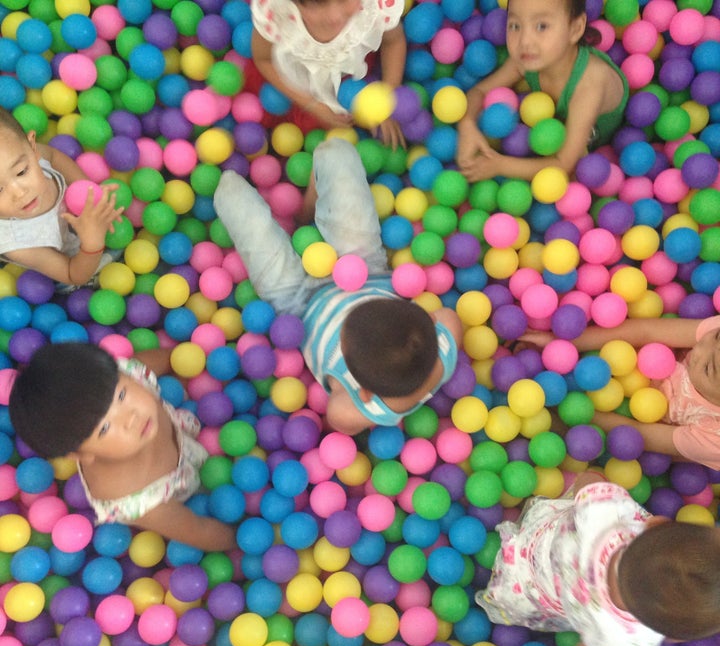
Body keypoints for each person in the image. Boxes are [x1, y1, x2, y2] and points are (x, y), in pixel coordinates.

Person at [214, 137, 462, 436]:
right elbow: (450, 318)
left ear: (364, 392)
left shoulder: (368, 406)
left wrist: (368, 404)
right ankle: (316, 186)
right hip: (365, 272)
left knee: (233, 201)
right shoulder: (443, 353)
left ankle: (227, 185)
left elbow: (339, 417)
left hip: (299, 305)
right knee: (337, 152)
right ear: (426, 320)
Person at [477, 470, 720, 646]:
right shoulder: (628, 643)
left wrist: (597, 481)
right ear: (673, 636)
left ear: (656, 524)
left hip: (537, 537)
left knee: (571, 510)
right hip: (524, 587)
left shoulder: (607, 513)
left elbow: (587, 480)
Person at [8, 343, 237, 552]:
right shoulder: (139, 502)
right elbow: (198, 531)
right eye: (105, 428)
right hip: (181, 487)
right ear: (80, 454)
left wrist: (199, 365)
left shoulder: (119, 377)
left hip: (186, 436)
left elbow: (170, 359)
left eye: (122, 395)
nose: (131, 417)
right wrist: (239, 543)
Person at [456, 0, 628, 182]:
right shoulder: (528, 59)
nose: (525, 41)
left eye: (541, 26)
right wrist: (467, 124)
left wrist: (499, 165)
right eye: (515, 26)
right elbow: (480, 91)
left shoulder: (589, 84)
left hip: (603, 139)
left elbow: (563, 164)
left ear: (575, 29)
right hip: (552, 128)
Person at [521, 316, 720, 470]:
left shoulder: (714, 439)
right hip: (624, 367)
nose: (698, 350)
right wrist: (561, 344)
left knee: (580, 444)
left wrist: (562, 404)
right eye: (716, 336)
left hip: (648, 422)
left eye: (708, 368)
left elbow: (635, 432)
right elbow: (646, 331)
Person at [250, 0, 407, 148]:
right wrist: (312, 105)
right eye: (315, 4)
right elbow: (264, 59)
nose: (334, 17)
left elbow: (393, 41)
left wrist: (386, 100)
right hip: (301, 79)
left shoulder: (374, 6)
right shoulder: (276, 12)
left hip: (353, 68)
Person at [0, 108, 124, 288]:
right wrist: (92, 241)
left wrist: (87, 189)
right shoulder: (18, 244)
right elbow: (72, 274)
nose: (19, 192)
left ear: (33, 148)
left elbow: (54, 156)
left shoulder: (25, 154)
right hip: (74, 263)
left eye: (21, 172)